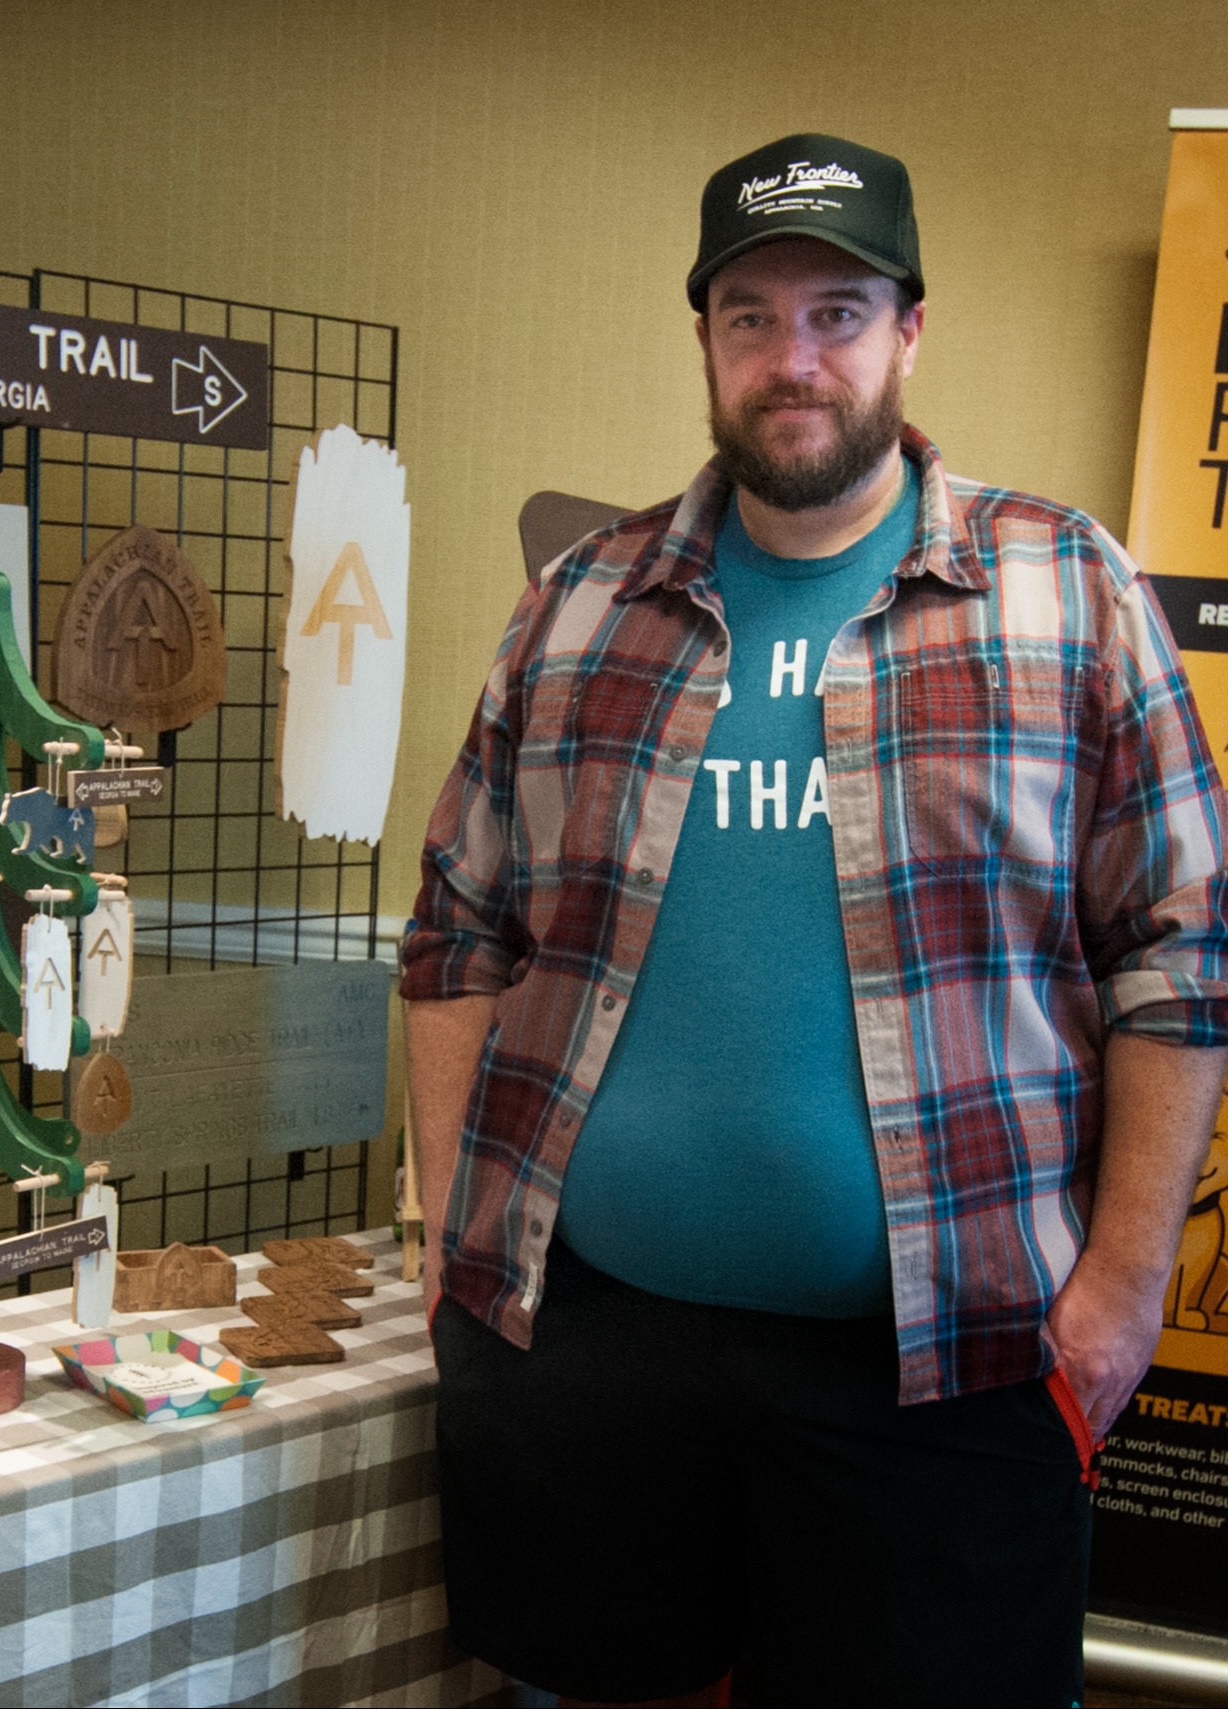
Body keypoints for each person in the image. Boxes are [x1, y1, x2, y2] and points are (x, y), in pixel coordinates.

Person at [402, 132, 1228, 1705]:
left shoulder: (1067, 590)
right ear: (705, 339)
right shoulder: (577, 600)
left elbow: (1178, 954)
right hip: (591, 1353)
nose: (795, 358)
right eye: (751, 315)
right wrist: (450, 1228)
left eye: (837, 312)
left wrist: (1120, 1294)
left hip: (949, 1374)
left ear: (907, 330)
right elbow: (459, 928)